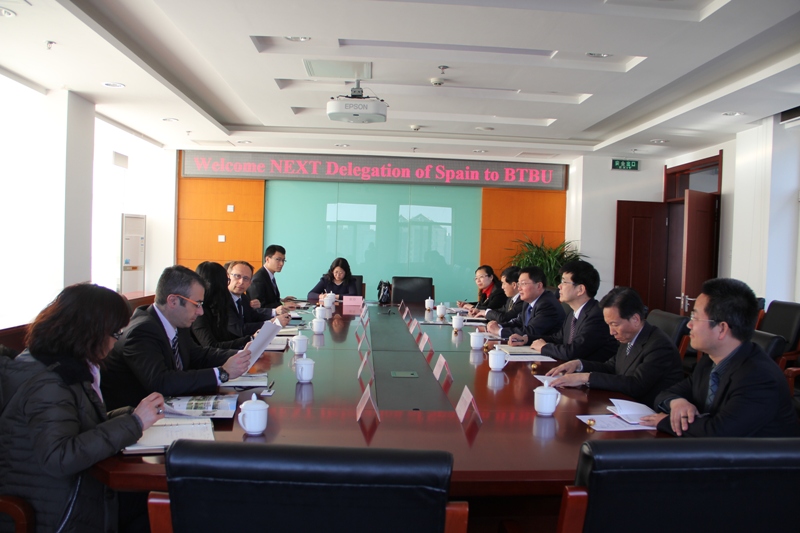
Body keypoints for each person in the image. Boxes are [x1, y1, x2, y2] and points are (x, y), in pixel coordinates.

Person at [0, 284, 165, 532]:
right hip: (57, 509)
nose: (115, 343)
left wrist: (130, 415)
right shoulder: (48, 381)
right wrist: (134, 423)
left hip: (72, 490)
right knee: (161, 507)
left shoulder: (58, 364)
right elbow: (59, 457)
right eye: (116, 333)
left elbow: (76, 424)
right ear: (91, 332)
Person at [641, 278, 799, 437]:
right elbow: (665, 394)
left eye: (695, 317)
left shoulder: (759, 377)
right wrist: (677, 402)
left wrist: (665, 422)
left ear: (722, 328)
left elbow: (720, 432)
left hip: (752, 453)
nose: (689, 324)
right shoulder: (709, 361)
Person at [101, 265, 252, 411]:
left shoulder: (176, 321)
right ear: (173, 301)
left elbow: (197, 354)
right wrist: (222, 373)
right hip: (136, 416)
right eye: (197, 304)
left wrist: (241, 355)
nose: (200, 312)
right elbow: (161, 382)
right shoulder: (141, 331)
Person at [547, 287, 683, 406]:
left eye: (615, 324)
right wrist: (578, 364)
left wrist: (585, 378)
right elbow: (611, 367)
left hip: (646, 412)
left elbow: (636, 385)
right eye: (609, 325)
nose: (611, 332)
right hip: (622, 404)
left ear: (635, 319)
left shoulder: (659, 345)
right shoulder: (629, 336)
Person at [531, 260, 618, 362]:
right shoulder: (573, 314)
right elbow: (558, 339)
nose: (559, 286)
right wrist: (527, 339)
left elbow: (572, 352)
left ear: (580, 289)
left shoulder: (597, 316)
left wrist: (544, 347)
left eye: (564, 282)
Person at [486, 266, 564, 343]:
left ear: (539, 286)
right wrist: (499, 326)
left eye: (523, 284)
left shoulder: (547, 304)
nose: (519, 288)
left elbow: (531, 331)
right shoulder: (528, 301)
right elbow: (519, 322)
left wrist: (499, 331)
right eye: (519, 284)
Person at [192, 261, 252, 349]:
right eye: (227, 280)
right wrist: (250, 339)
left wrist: (251, 339)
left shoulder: (218, 305)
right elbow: (211, 346)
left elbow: (226, 338)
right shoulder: (198, 312)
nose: (227, 285)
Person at [226, 260, 291, 338]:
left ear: (250, 283)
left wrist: (275, 314)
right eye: (237, 276)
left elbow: (253, 315)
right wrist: (272, 322)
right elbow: (240, 329)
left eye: (246, 278)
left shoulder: (242, 297)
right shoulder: (222, 300)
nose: (241, 282)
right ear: (228, 277)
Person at [249, 244, 297, 313]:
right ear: (267, 259)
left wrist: (282, 301)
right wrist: (283, 304)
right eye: (278, 259)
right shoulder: (258, 279)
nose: (281, 263)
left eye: (283, 260)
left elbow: (269, 299)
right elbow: (260, 307)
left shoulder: (269, 275)